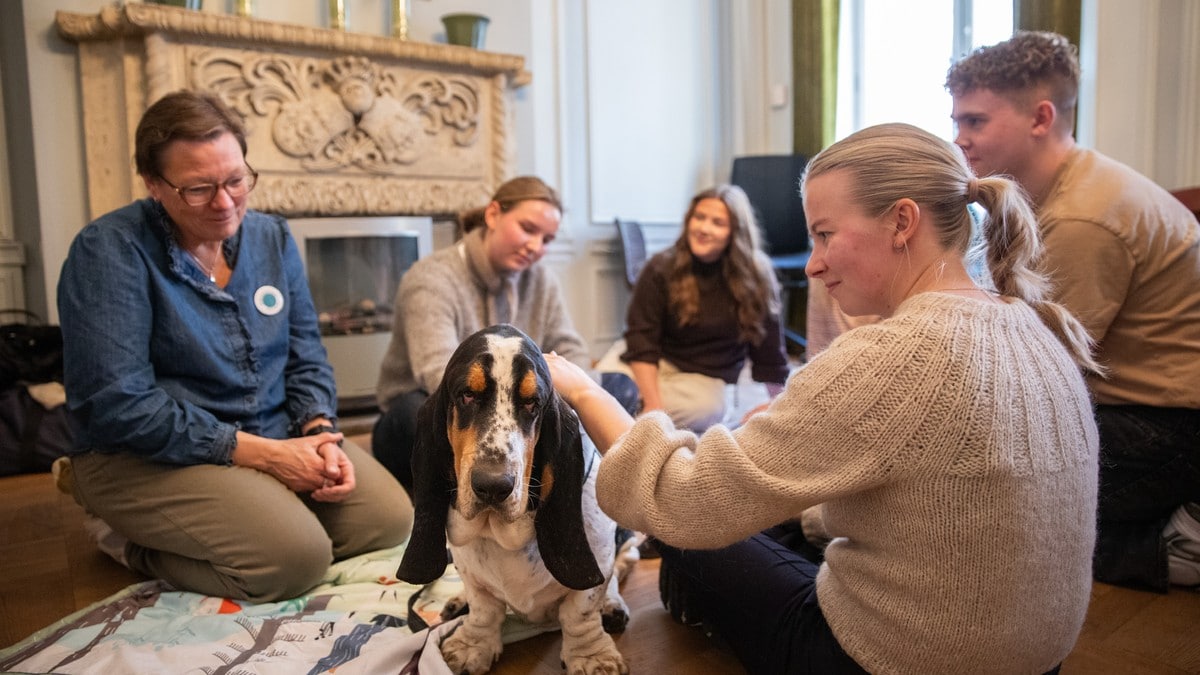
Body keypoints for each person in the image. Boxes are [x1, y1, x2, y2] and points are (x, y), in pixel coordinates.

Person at [546, 123, 1102, 675]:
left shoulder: (889, 356)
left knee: (691, 542)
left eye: (825, 235)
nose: (813, 263)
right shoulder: (1035, 323)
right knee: (769, 511)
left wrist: (583, 388)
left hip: (889, 663)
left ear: (902, 221)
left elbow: (681, 502)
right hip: (1033, 660)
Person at [55, 91, 413, 603]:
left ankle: (260, 518)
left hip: (269, 433)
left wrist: (321, 433)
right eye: (198, 189)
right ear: (154, 185)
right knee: (294, 562)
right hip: (147, 456)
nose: (225, 203)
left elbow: (306, 353)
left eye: (235, 180)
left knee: (389, 521)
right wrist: (267, 458)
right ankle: (128, 543)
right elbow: (118, 406)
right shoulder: (109, 251)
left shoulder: (272, 237)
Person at [946, 30, 1200, 592]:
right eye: (957, 121)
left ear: (1040, 117)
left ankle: (1178, 544)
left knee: (978, 513)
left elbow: (1038, 375)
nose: (959, 138)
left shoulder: (1084, 217)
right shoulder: (1059, 192)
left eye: (975, 122)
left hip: (1168, 427)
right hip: (1140, 409)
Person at [372, 176, 637, 493]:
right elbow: (436, 373)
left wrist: (563, 397)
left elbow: (571, 351)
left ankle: (568, 491)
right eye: (528, 229)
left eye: (547, 239)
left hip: (514, 414)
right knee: (417, 414)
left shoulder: (541, 280)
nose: (536, 247)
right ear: (493, 214)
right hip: (437, 410)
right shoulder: (431, 278)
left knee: (618, 388)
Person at [601, 185, 789, 432]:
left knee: (708, 409)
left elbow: (770, 354)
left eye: (717, 222)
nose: (703, 228)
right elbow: (641, 343)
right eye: (699, 218)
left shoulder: (757, 276)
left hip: (702, 382)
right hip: (650, 362)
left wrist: (780, 404)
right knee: (598, 386)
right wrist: (654, 406)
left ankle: (616, 420)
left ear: (735, 231)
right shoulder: (660, 267)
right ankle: (625, 416)